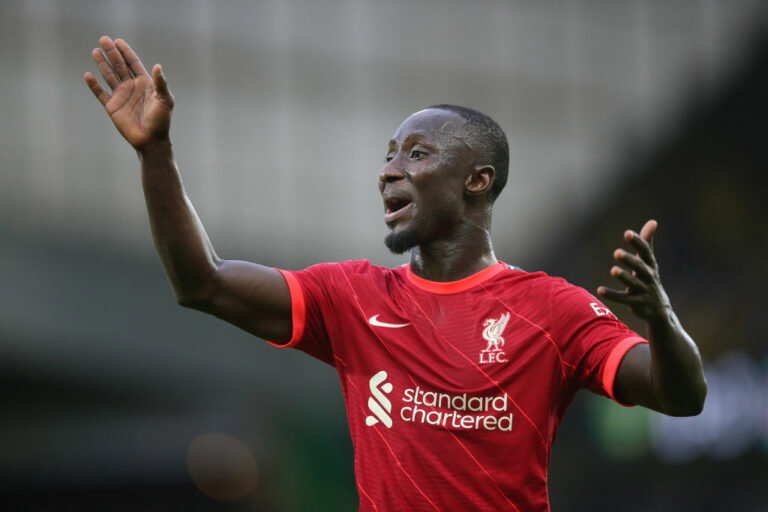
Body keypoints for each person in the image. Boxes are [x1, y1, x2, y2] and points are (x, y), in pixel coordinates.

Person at [84, 36, 707, 512]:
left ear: (477, 180)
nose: (389, 170)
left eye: (417, 153)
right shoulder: (351, 298)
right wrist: (155, 153)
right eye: (388, 155)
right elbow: (204, 282)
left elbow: (682, 397)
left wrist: (660, 318)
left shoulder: (551, 310)